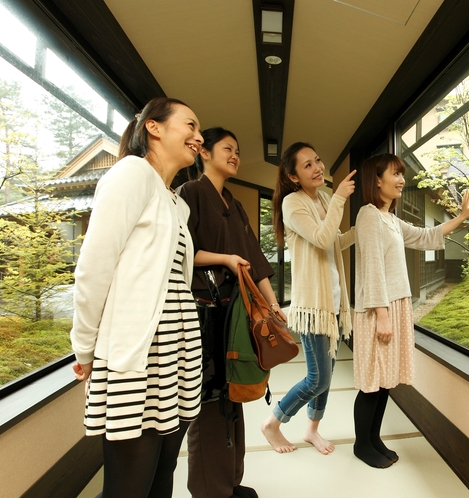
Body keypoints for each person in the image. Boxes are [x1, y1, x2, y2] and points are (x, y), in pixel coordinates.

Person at [70, 97, 204, 497]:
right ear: (155, 127)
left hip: (176, 354)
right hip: (140, 358)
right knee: (129, 488)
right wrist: (85, 348)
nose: (198, 137)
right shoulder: (131, 173)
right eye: (191, 125)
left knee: (162, 477)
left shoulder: (174, 201)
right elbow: (95, 267)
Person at [178, 127, 284, 498]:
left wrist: (273, 305)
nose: (235, 155)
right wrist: (223, 258)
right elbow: (181, 252)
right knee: (208, 395)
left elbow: (254, 260)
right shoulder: (189, 193)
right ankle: (210, 490)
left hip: (237, 311)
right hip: (206, 312)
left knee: (233, 389)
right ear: (204, 153)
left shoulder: (234, 204)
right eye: (228, 149)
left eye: (238, 150)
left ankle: (231, 481)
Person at [352, 153, 469, 469]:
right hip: (379, 307)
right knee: (372, 381)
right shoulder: (368, 216)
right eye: (396, 173)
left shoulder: (390, 218)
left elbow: (423, 236)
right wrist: (382, 315)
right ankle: (361, 444)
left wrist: (460, 218)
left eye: (401, 174)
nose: (402, 179)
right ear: (377, 179)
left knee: (385, 381)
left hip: (393, 303)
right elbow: (373, 268)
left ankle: (373, 439)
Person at [260, 143, 356, 454]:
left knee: (324, 377)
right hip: (313, 307)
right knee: (318, 379)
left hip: (334, 303)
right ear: (292, 176)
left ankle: (312, 429)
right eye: (307, 165)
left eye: (317, 160)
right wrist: (341, 197)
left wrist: (360, 229)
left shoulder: (325, 198)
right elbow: (322, 237)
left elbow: (334, 244)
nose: (317, 167)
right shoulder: (292, 203)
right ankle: (272, 422)